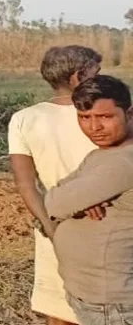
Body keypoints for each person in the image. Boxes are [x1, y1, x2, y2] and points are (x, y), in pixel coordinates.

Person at [8, 44, 103, 325]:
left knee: (59, 306)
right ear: (79, 76)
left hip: (55, 218)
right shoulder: (107, 117)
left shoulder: (24, 119)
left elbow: (26, 185)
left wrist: (49, 226)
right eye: (97, 73)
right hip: (109, 218)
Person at [45, 75, 133, 324]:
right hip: (95, 296)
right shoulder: (102, 154)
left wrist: (72, 201)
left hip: (114, 304)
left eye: (105, 117)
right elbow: (53, 195)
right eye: (85, 118)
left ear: (129, 113)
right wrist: (79, 200)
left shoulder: (123, 162)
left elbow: (52, 204)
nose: (94, 128)